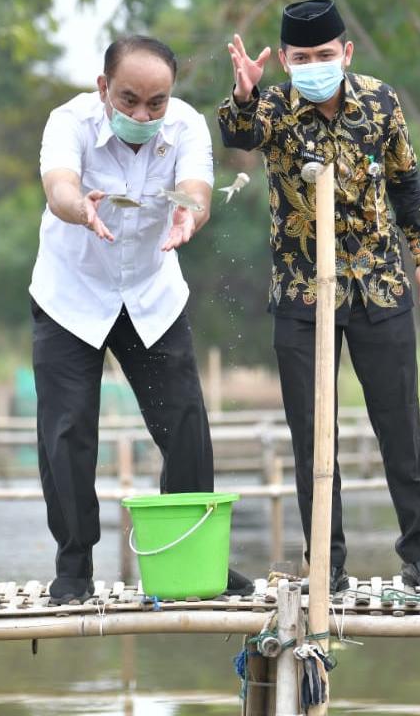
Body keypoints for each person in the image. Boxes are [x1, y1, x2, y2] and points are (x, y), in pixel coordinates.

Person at [218, 0, 420, 595]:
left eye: (324, 56)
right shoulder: (272, 106)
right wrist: (245, 95)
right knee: (312, 433)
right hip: (303, 293)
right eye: (301, 58)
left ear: (346, 54)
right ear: (288, 62)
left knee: (400, 424)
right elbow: (237, 135)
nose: (314, 66)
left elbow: (406, 179)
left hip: (380, 284)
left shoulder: (380, 100)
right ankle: (327, 563)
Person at [33, 35, 250, 604]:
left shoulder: (185, 127)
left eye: (156, 103)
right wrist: (80, 208)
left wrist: (191, 214)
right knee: (68, 431)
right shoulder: (70, 122)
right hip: (72, 298)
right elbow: (58, 186)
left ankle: (191, 554)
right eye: (129, 100)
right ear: (104, 87)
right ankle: (74, 567)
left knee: (185, 425)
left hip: (151, 294)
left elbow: (197, 187)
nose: (142, 114)